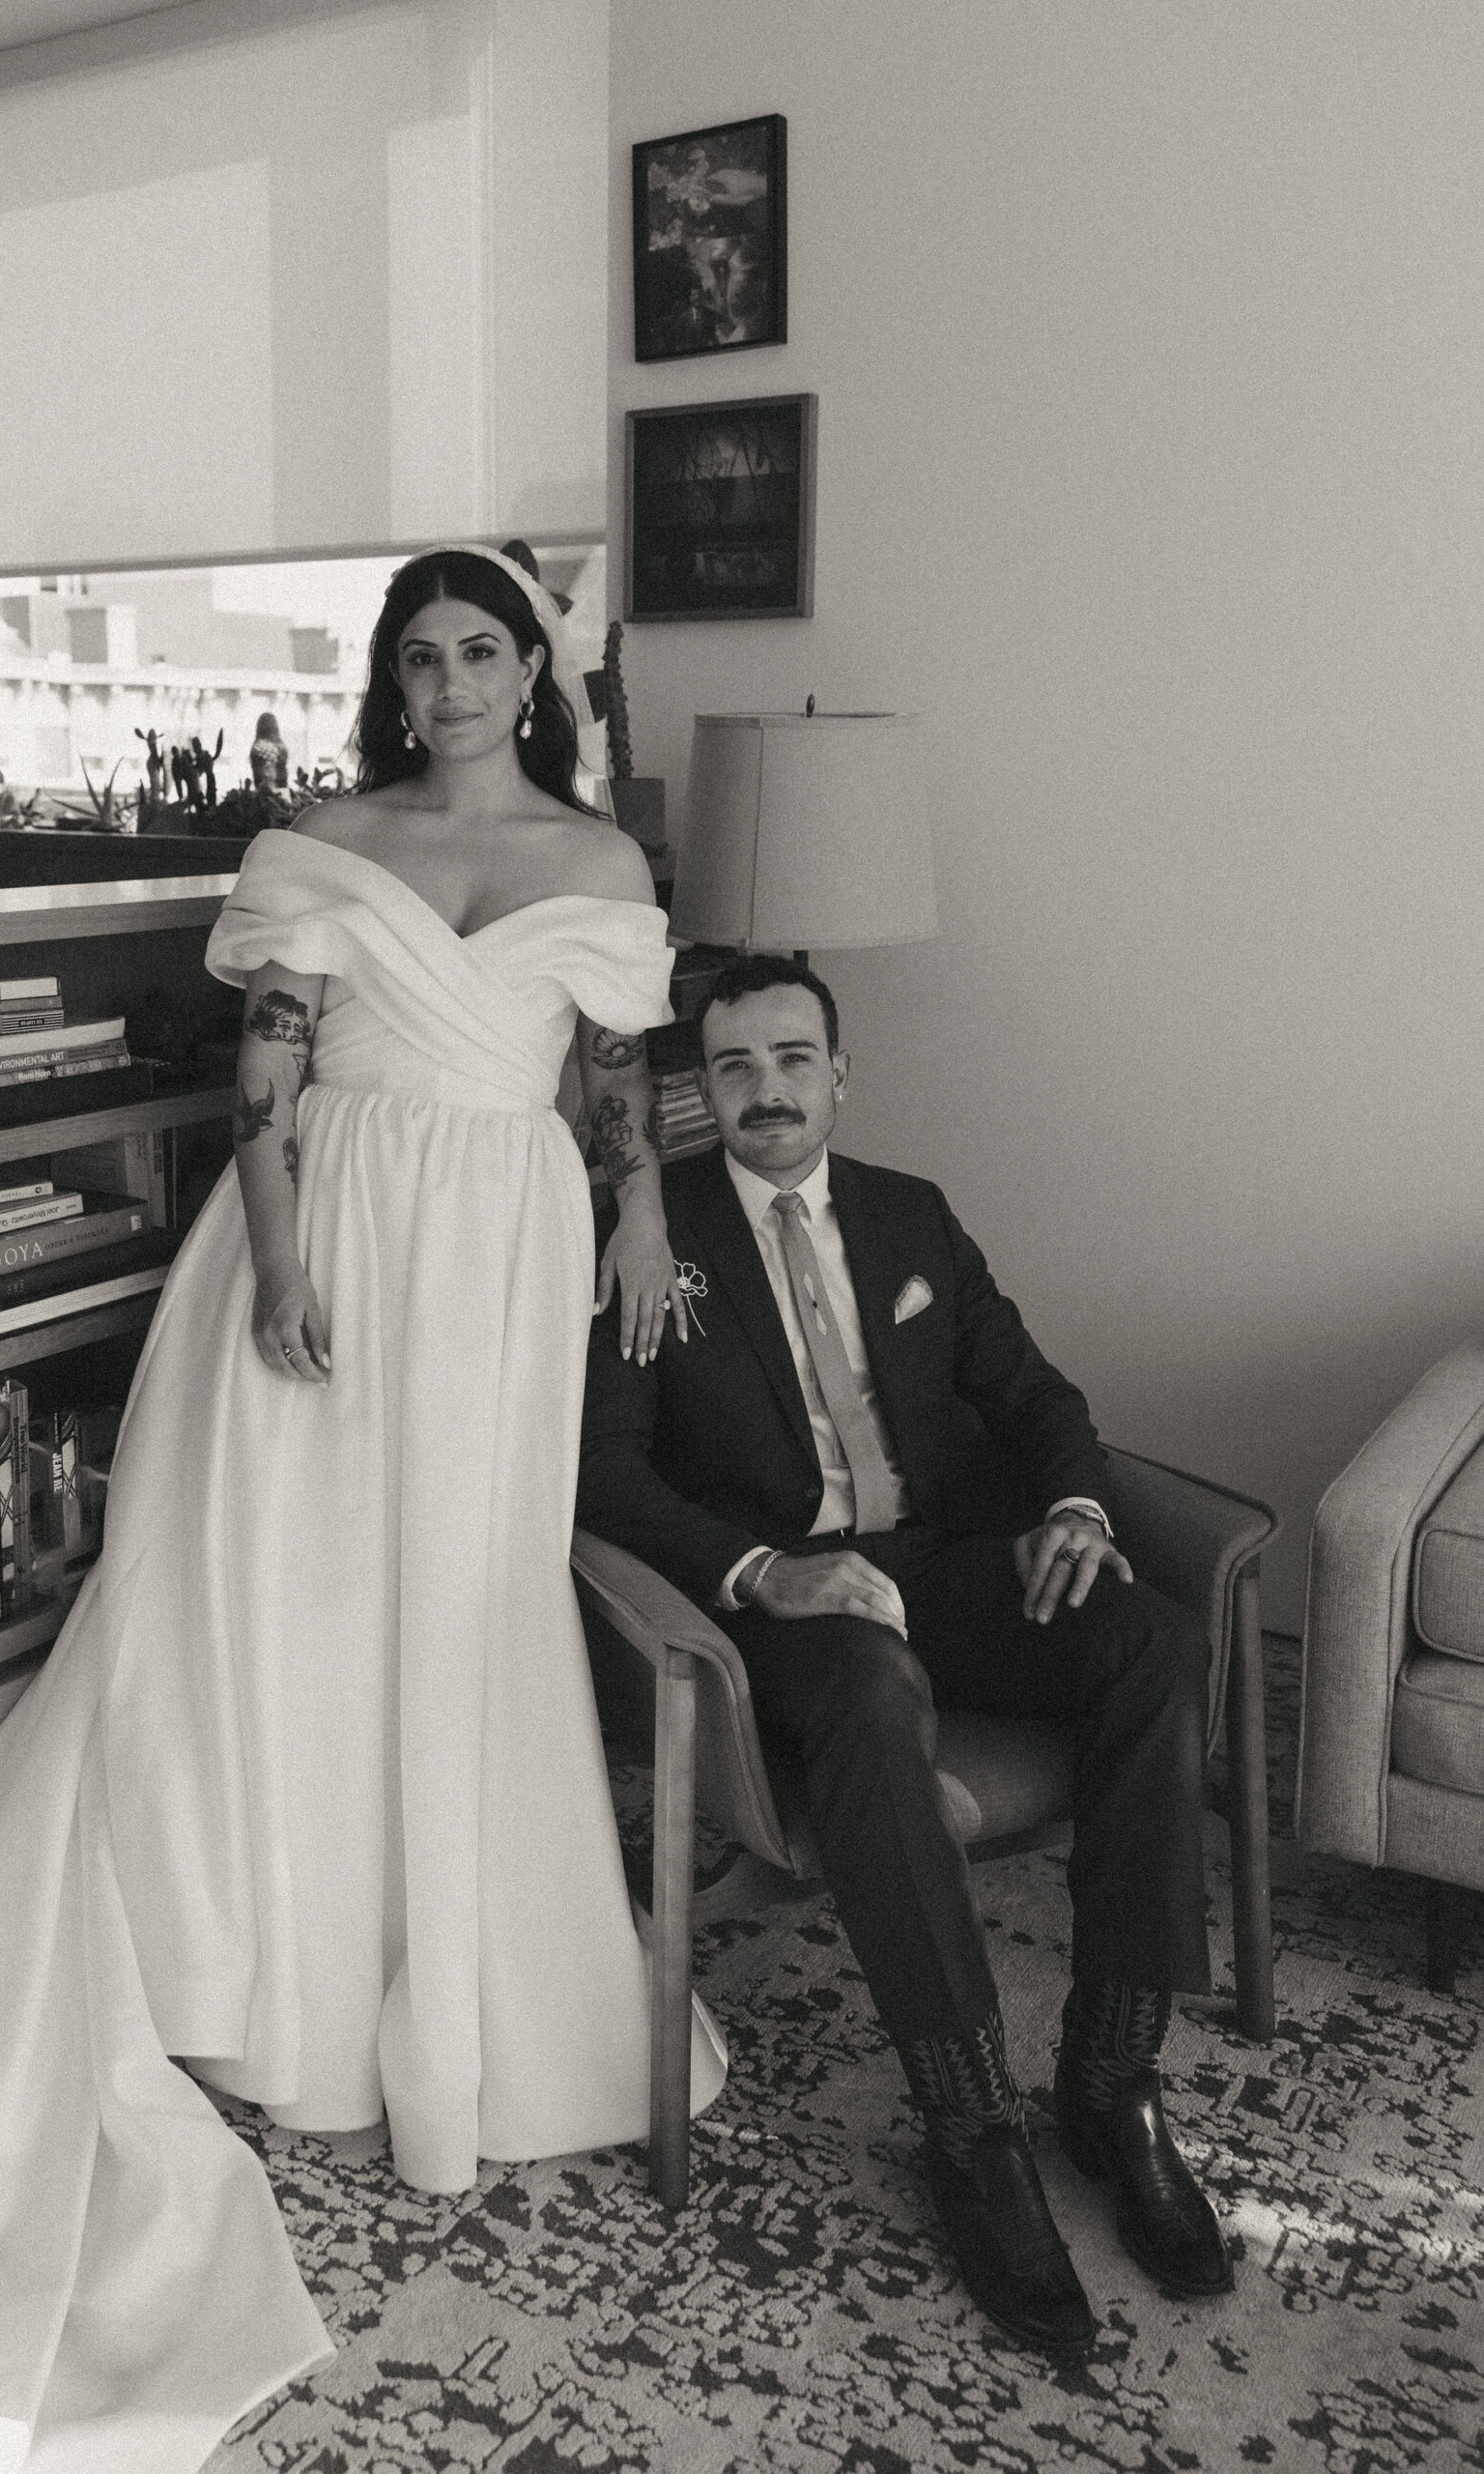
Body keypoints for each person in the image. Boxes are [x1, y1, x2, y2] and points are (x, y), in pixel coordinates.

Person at [0, 545, 725, 2473]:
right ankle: (269, 1969)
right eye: (421, 655)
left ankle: (456, 1971)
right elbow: (266, 1076)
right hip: (341, 1227)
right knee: (280, 1598)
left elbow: (621, 1069)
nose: (455, 677)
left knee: (463, 1599)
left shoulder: (598, 863)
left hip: (501, 1237)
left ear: (532, 668)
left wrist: (643, 1208)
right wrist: (274, 1255)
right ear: (393, 686)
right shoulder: (323, 836)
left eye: (483, 645)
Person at [576, 953, 1230, 2363]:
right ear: (700, 1088)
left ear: (839, 1073)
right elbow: (606, 1476)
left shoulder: (911, 1216)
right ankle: (971, 2121)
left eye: (792, 1060)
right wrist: (767, 1570)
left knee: (1152, 1646)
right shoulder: (651, 1239)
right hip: (783, 1612)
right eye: (733, 1067)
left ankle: (1111, 2080)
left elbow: (1036, 1395)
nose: (765, 1092)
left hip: (942, 1558)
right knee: (874, 1694)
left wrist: (1068, 1508)